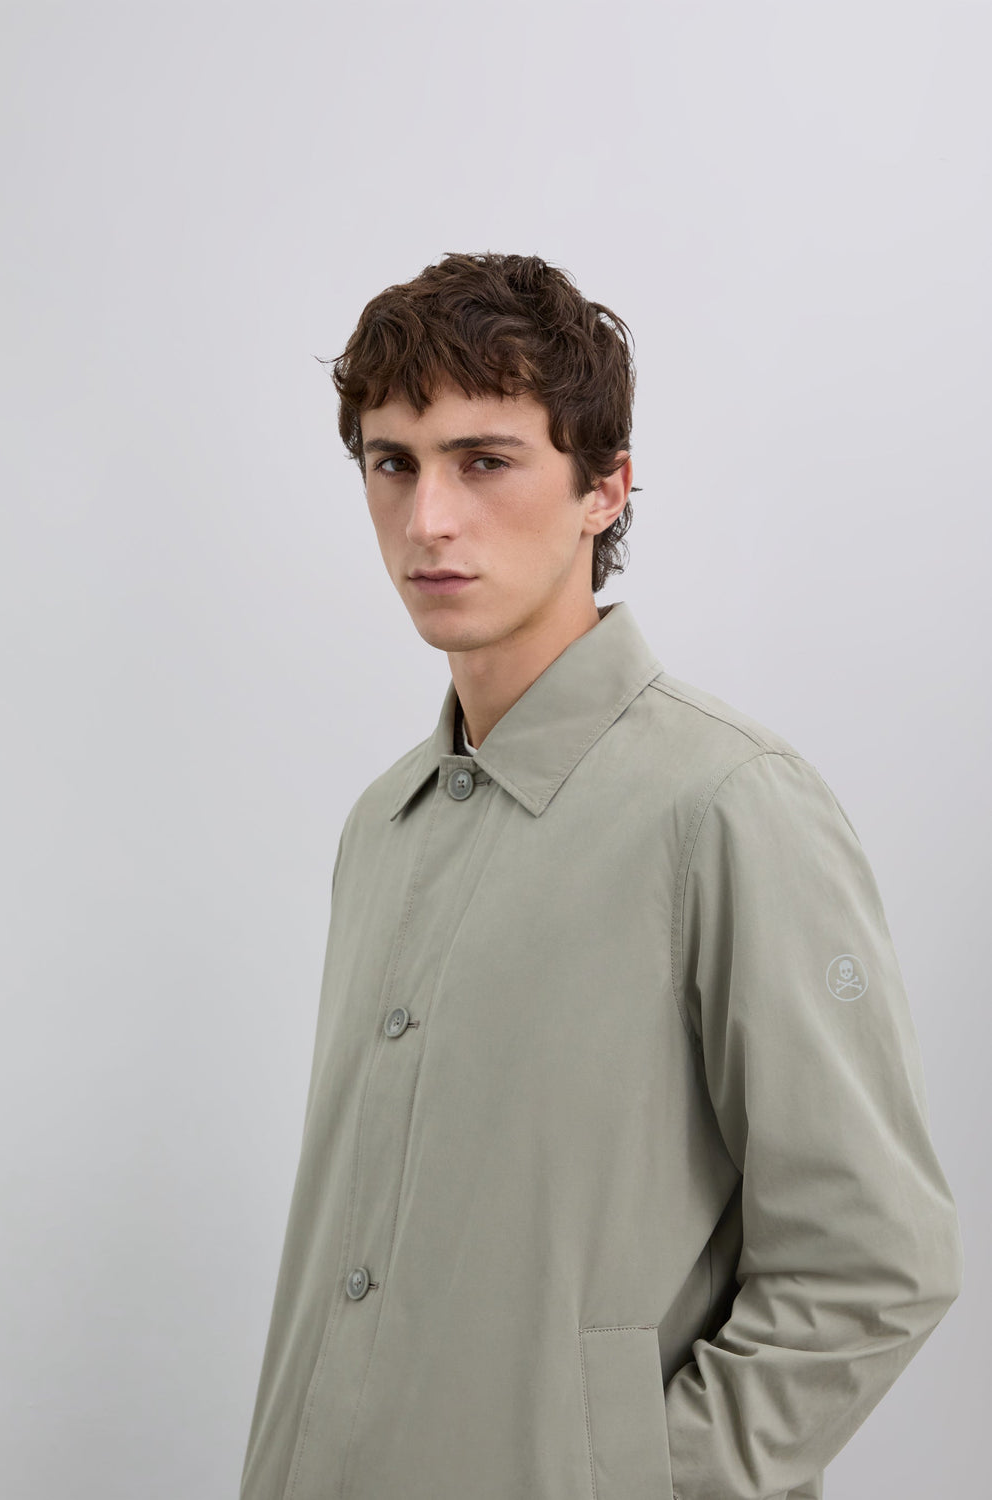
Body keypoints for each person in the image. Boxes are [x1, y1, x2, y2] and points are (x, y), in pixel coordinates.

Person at [239, 252, 962, 1500]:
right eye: (392, 463)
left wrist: (634, 1480)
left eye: (484, 460)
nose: (428, 519)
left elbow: (874, 1263)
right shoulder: (381, 828)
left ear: (604, 488)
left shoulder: (730, 806)